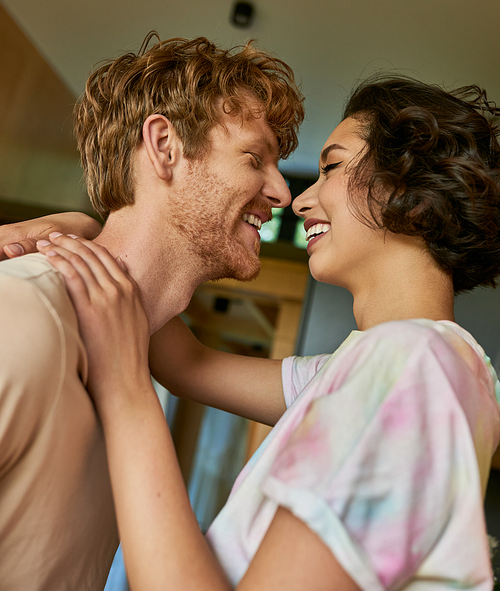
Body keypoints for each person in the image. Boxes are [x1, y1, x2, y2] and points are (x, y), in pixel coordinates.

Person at [20, 75, 500, 590]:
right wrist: (88, 233)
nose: (295, 200)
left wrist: (125, 389)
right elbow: (188, 365)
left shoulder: (409, 367)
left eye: (332, 167)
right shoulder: (404, 367)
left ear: (412, 191)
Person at [0, 33, 304, 590]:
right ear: (165, 146)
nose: (282, 191)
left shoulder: (135, 358)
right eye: (255, 158)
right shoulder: (19, 313)